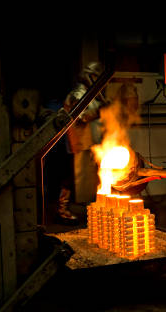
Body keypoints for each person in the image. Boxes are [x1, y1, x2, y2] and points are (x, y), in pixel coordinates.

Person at [63, 61, 108, 210]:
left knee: (88, 176)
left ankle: (88, 206)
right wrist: (100, 110)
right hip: (78, 141)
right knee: (71, 176)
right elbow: (80, 117)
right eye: (95, 77)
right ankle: (62, 209)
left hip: (89, 141)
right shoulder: (79, 94)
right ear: (89, 76)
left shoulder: (91, 94)